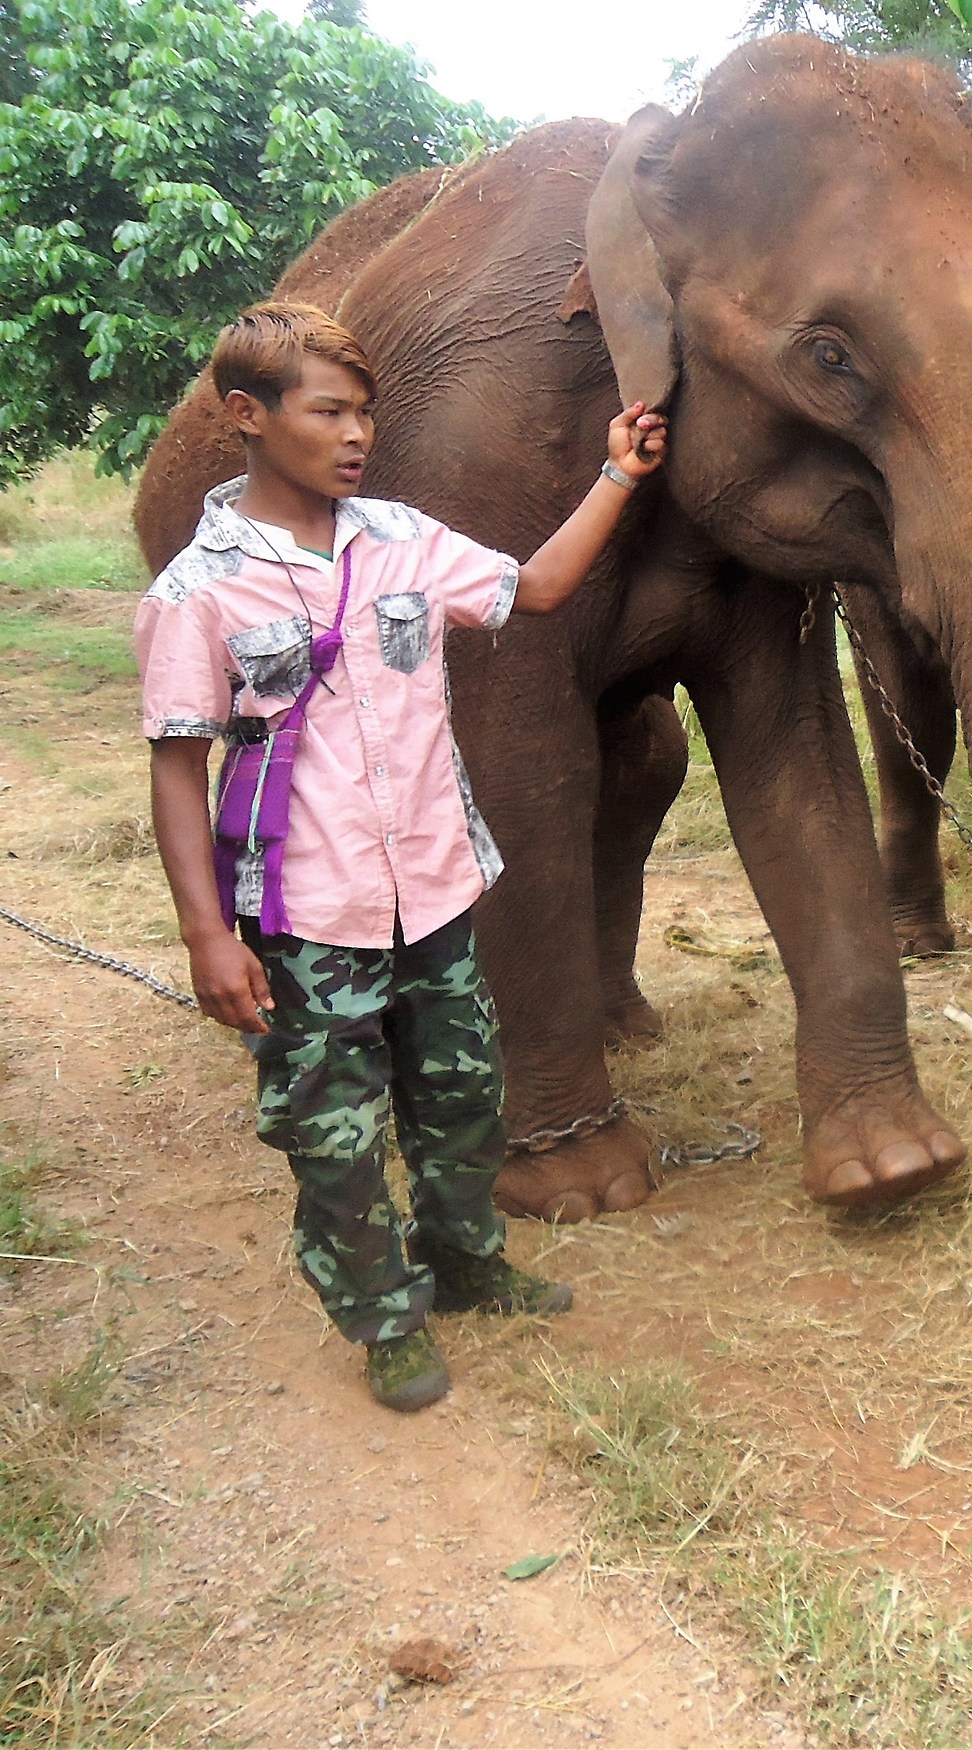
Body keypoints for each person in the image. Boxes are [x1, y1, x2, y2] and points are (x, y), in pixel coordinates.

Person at [136, 301, 668, 1408]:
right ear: (249, 415)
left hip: (431, 887)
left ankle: (467, 1261)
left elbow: (537, 589)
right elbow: (177, 770)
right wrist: (204, 936)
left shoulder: (403, 541)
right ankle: (383, 1316)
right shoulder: (197, 594)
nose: (355, 433)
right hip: (305, 911)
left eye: (365, 413)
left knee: (463, 1097)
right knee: (332, 1132)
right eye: (328, 411)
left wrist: (616, 475)